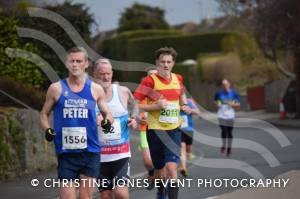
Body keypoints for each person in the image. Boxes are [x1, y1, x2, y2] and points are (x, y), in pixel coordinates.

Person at [40, 47, 113, 199]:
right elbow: (43, 114)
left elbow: (108, 114)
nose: (75, 65)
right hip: (66, 154)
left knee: (85, 197)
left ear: (86, 64)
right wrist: (47, 130)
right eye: (71, 61)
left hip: (90, 152)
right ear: (66, 64)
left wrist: (107, 122)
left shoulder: (95, 89)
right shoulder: (56, 89)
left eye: (79, 61)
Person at [134, 47, 190, 199]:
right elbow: (136, 103)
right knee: (159, 169)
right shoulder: (149, 81)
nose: (165, 65)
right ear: (157, 63)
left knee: (172, 169)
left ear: (173, 63)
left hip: (173, 130)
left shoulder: (178, 78)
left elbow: (182, 92)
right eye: (162, 62)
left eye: (169, 62)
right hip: (155, 131)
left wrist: (184, 105)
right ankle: (161, 191)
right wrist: (155, 107)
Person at [93, 58, 138, 199]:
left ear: (112, 73)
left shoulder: (123, 91)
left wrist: (134, 118)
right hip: (99, 156)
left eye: (108, 73)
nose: (106, 77)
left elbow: (135, 104)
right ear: (95, 74)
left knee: (121, 194)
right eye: (102, 74)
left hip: (121, 153)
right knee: (105, 195)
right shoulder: (89, 94)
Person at [138, 68, 157, 190]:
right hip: (145, 130)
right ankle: (151, 172)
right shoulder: (141, 95)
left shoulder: (164, 95)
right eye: (150, 76)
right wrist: (138, 118)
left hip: (162, 131)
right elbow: (136, 112)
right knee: (148, 162)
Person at [214, 78, 240, 157]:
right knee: (224, 131)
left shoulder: (234, 93)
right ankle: (224, 145)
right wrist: (217, 104)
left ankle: (229, 149)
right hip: (221, 115)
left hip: (230, 115)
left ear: (229, 84)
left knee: (230, 133)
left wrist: (232, 104)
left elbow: (238, 104)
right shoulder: (218, 93)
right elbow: (215, 102)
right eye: (223, 85)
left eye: (226, 84)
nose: (224, 86)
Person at [178, 95, 200, 177]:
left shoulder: (189, 102)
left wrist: (189, 109)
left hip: (189, 130)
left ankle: (189, 154)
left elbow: (198, 112)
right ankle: (184, 168)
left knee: (188, 148)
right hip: (179, 130)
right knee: (182, 147)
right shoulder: (173, 102)